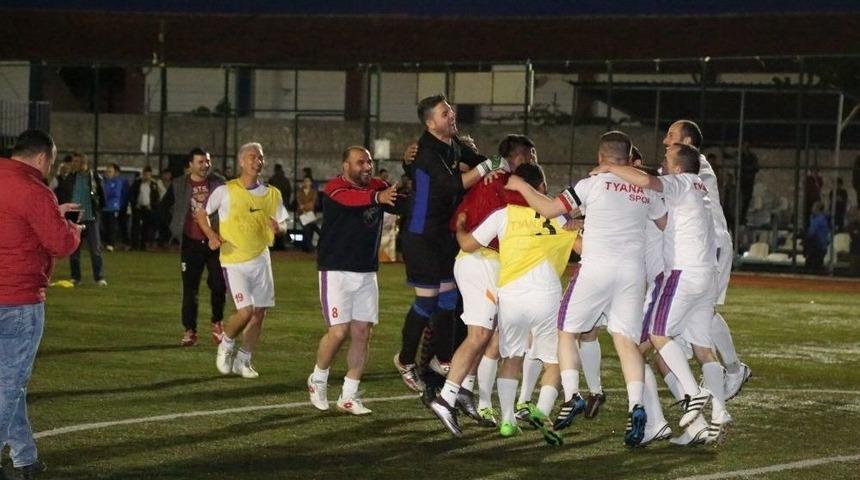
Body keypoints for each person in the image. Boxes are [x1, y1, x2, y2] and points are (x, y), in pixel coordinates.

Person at [507, 131, 668, 447]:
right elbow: (663, 223)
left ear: (601, 157)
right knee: (625, 343)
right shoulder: (646, 189)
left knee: (567, 331)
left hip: (595, 269)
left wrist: (521, 185)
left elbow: (552, 209)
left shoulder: (590, 184)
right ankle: (636, 405)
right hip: (633, 274)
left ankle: (573, 395)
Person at [595, 143, 732, 445]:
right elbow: (649, 180)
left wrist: (609, 169)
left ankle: (677, 407)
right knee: (696, 349)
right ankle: (714, 416)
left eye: (667, 158)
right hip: (703, 275)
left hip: (673, 279)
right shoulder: (696, 187)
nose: (663, 161)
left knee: (646, 342)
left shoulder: (670, 186)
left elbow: (646, 182)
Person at [393, 94, 507, 398]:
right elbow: (452, 185)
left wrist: (491, 166)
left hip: (443, 233)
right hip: (421, 234)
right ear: (431, 122)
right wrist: (490, 167)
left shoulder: (452, 143)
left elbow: (480, 161)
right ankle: (404, 361)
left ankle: (442, 358)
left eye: (451, 111)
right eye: (445, 114)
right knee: (428, 300)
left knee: (448, 299)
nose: (451, 116)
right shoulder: (424, 152)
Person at [457, 163, 575, 445]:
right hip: (546, 295)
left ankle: (508, 420)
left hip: (512, 294)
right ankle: (541, 412)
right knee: (553, 361)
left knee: (511, 357)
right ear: (542, 188)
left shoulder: (502, 215)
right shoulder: (556, 219)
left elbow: (467, 245)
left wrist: (461, 225)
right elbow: (580, 244)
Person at [427, 134, 537, 434]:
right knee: (479, 335)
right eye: (532, 154)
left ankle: (464, 390)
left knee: (487, 335)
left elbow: (458, 219)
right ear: (521, 156)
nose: (534, 160)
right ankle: (446, 397)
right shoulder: (507, 185)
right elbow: (540, 212)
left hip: (481, 262)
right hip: (483, 261)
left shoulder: (490, 183)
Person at [0, 129, 82, 479]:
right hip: (19, 298)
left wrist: (53, 212)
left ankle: (25, 458)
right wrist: (73, 227)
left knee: (7, 384)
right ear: (41, 158)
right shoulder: (35, 190)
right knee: (10, 385)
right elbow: (60, 243)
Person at [662, 121, 750, 406]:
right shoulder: (686, 166)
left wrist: (619, 169)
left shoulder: (695, 164)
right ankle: (712, 366)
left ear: (687, 141)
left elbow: (655, 181)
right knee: (700, 309)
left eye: (671, 136)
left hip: (709, 245)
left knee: (704, 309)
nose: (665, 140)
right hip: (701, 245)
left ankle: (734, 369)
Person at [307, 147, 399, 415]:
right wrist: (377, 196)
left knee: (362, 333)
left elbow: (397, 198)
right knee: (338, 332)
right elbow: (351, 200)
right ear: (345, 165)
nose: (366, 167)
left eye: (369, 162)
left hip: (366, 272)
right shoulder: (335, 188)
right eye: (360, 162)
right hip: (336, 270)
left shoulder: (378, 186)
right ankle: (318, 378)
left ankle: (349, 394)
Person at [195, 143, 288, 379]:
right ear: (241, 162)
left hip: (261, 259)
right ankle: (226, 343)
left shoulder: (272, 194)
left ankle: (244, 359)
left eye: (261, 157)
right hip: (234, 260)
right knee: (245, 311)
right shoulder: (225, 190)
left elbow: (284, 223)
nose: (257, 161)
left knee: (260, 312)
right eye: (252, 157)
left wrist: (280, 228)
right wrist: (211, 235)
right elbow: (200, 213)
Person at [161, 148, 227, 347]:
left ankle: (217, 323)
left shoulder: (219, 182)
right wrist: (174, 228)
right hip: (190, 243)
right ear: (190, 164)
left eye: (207, 161)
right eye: (200, 162)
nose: (205, 165)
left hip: (214, 242)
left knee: (218, 285)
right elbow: (163, 208)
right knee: (190, 289)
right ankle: (190, 330)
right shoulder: (179, 184)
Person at [55, 152, 106, 286]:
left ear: (84, 163)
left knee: (95, 249)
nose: (74, 164)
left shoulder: (94, 177)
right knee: (74, 249)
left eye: (77, 162)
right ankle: (75, 277)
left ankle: (99, 277)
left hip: (90, 217)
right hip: (74, 216)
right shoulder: (70, 178)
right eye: (74, 162)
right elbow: (62, 194)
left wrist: (99, 208)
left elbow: (101, 195)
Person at [101, 163, 130, 252]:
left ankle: (111, 244)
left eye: (110, 172)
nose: (108, 173)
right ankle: (105, 243)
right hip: (104, 207)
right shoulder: (103, 182)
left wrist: (105, 194)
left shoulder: (117, 182)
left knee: (112, 226)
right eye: (107, 171)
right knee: (105, 226)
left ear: (114, 173)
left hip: (113, 207)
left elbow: (115, 193)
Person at [130, 166, 159, 251]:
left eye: (148, 175)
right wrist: (135, 204)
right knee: (135, 227)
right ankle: (134, 245)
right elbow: (132, 195)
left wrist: (152, 206)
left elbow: (156, 197)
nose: (146, 177)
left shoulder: (154, 185)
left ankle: (143, 245)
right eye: (145, 175)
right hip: (138, 208)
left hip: (148, 208)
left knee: (146, 227)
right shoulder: (137, 183)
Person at [268, 164, 292, 250]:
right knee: (281, 224)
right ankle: (282, 244)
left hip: (274, 204)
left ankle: (275, 244)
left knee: (274, 224)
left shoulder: (272, 180)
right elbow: (289, 192)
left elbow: (269, 192)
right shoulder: (285, 180)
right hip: (283, 205)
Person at [804, 201, 830, 273]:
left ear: (817, 208)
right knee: (813, 264)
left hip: (818, 246)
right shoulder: (815, 218)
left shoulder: (819, 219)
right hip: (818, 246)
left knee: (813, 266)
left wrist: (805, 238)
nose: (812, 209)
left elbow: (812, 232)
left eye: (813, 207)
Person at [738, 142, 759, 225]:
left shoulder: (752, 157)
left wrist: (748, 170)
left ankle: (743, 217)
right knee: (741, 199)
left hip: (749, 180)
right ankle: (740, 216)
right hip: (742, 180)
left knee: (746, 199)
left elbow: (756, 167)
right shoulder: (741, 156)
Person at [155, 168, 173, 247]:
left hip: (169, 207)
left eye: (168, 174)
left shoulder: (172, 184)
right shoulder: (157, 183)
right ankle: (160, 241)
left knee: (168, 224)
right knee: (160, 224)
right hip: (159, 207)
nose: (167, 176)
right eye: (165, 174)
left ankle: (167, 241)